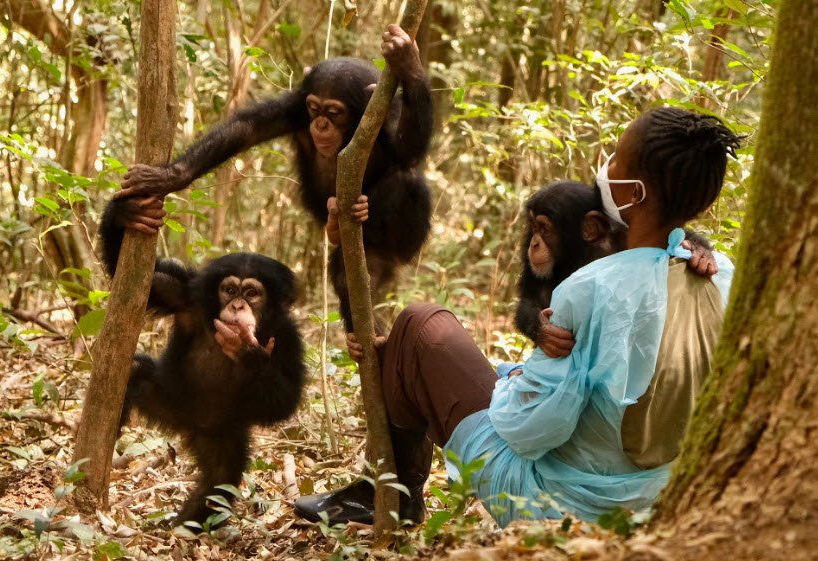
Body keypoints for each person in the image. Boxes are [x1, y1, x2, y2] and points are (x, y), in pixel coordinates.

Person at [293, 107, 741, 527]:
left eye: (617, 160)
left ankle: (391, 494)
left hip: (559, 502)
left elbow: (526, 431)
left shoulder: (590, 288)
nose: (605, 168)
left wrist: (508, 382)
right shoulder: (727, 278)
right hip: (668, 494)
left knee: (420, 325)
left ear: (633, 193)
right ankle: (391, 491)